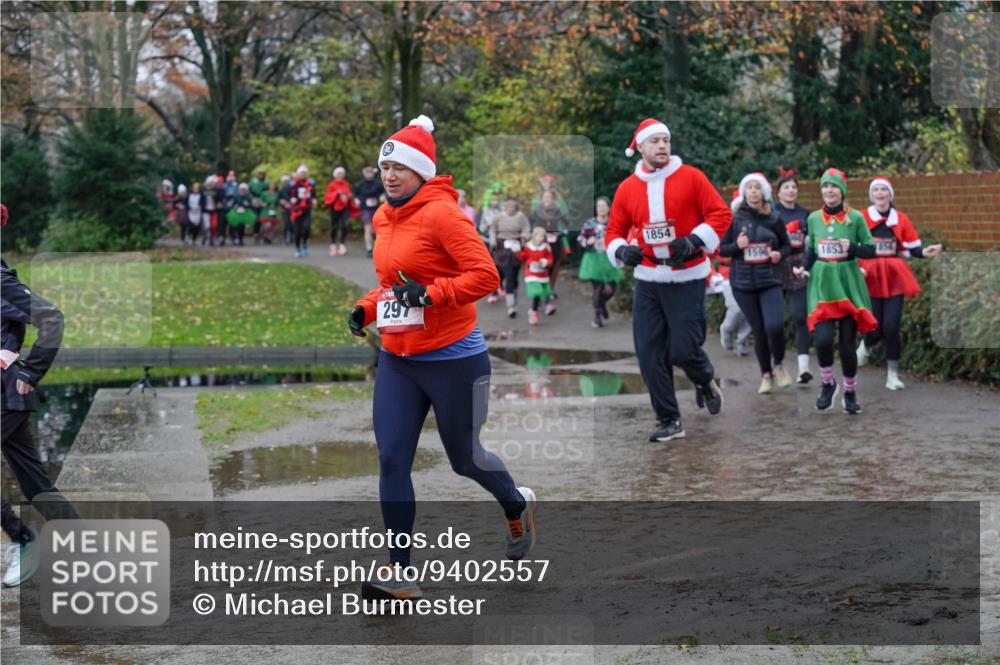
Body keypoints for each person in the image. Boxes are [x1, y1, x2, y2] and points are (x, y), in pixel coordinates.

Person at [347, 116, 535, 602]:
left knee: (465, 459)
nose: (389, 175)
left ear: (421, 172)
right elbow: (393, 284)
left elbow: (486, 276)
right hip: (398, 358)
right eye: (384, 166)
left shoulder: (444, 215)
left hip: (454, 358)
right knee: (391, 458)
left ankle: (516, 504)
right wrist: (368, 307)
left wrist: (430, 294)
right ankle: (401, 570)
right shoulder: (385, 218)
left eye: (399, 167)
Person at [605, 117, 730, 442]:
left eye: (666, 140)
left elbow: (720, 214)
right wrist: (621, 252)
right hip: (648, 278)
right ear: (641, 147)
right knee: (648, 354)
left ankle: (704, 378)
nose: (662, 145)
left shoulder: (691, 177)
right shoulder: (627, 188)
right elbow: (613, 232)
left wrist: (694, 241)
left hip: (688, 275)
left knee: (683, 351)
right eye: (655, 141)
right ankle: (669, 419)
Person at [1, 204, 79, 587]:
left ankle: (23, 538)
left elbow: (52, 317)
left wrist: (32, 370)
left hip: (7, 391)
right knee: (35, 482)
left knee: (35, 482)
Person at [793, 168, 877, 414]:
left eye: (834, 187)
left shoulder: (857, 218)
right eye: (825, 187)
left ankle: (850, 391)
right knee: (823, 340)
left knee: (848, 346)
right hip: (822, 284)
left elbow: (870, 250)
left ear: (842, 191)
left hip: (848, 283)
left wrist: (851, 247)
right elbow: (812, 251)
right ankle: (828, 384)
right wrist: (803, 267)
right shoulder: (813, 218)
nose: (829, 191)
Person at [856, 176, 943, 390]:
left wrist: (925, 252)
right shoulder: (862, 217)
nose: (879, 193)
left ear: (890, 195)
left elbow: (910, 248)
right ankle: (865, 345)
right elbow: (853, 246)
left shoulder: (900, 219)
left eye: (883, 190)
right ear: (871, 195)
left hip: (894, 275)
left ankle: (892, 375)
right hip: (870, 274)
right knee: (874, 326)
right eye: (875, 190)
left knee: (891, 326)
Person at [719, 173, 792, 394]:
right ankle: (766, 375)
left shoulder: (775, 218)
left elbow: (788, 246)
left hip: (770, 280)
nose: (753, 191)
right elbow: (722, 250)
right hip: (743, 283)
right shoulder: (734, 218)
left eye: (757, 187)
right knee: (759, 331)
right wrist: (737, 246)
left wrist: (780, 254)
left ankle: (778, 364)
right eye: (749, 187)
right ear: (744, 192)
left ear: (764, 193)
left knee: (775, 326)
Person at [773, 168, 813, 384]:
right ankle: (775, 365)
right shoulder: (772, 213)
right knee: (776, 321)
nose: (790, 190)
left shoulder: (805, 214)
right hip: (777, 266)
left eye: (794, 187)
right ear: (778, 192)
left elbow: (810, 241)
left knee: (801, 317)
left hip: (798, 265)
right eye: (786, 187)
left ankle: (803, 368)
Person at [577, 196, 623, 328]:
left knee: (610, 289)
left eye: (603, 206)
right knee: (598, 288)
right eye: (599, 206)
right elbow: (580, 238)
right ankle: (597, 317)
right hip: (593, 259)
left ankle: (602, 305)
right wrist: (587, 242)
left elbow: (621, 237)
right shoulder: (589, 223)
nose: (601, 208)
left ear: (609, 208)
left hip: (609, 259)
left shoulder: (614, 223)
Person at [489, 198, 531, 317]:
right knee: (504, 273)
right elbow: (492, 229)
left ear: (516, 207)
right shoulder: (499, 217)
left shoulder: (521, 216)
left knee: (514, 274)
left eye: (513, 207)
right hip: (502, 246)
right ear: (504, 207)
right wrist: (493, 241)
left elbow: (526, 229)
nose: (510, 209)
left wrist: (523, 238)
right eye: (508, 206)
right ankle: (510, 305)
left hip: (516, 246)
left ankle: (511, 294)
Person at [530, 189, 570, 307]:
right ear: (541, 199)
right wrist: (534, 235)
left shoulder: (557, 210)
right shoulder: (536, 211)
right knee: (542, 268)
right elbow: (529, 224)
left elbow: (568, 223)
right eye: (545, 197)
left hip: (554, 244)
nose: (547, 199)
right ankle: (543, 294)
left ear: (553, 199)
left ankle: (549, 290)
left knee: (553, 269)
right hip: (540, 243)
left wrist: (561, 233)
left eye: (550, 197)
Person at [516, 227, 555, 325]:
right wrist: (517, 252)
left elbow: (550, 259)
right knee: (537, 293)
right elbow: (523, 257)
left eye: (542, 237)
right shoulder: (528, 246)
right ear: (534, 236)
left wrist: (545, 262)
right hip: (531, 273)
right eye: (538, 236)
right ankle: (534, 313)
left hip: (542, 273)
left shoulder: (546, 247)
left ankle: (536, 309)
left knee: (543, 293)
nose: (540, 238)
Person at [714, 256, 752, 356]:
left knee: (751, 310)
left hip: (751, 273)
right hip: (727, 274)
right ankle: (727, 328)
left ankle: (741, 343)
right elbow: (707, 254)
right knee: (736, 307)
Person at [354, 166, 385, 258]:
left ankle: (378, 247)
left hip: (376, 209)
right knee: (367, 228)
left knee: (376, 229)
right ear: (364, 173)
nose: (369, 174)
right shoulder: (359, 185)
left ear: (373, 173)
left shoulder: (378, 184)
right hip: (365, 208)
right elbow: (355, 195)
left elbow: (384, 192)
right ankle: (369, 248)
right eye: (367, 172)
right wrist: (356, 200)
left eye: (371, 172)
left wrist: (383, 196)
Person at [325, 167, 352, 256]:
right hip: (334, 207)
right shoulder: (331, 185)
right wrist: (337, 194)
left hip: (345, 207)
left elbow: (348, 194)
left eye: (342, 174)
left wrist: (348, 196)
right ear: (335, 175)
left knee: (345, 225)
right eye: (338, 174)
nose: (340, 175)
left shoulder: (346, 184)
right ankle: (332, 244)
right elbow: (328, 197)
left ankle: (342, 244)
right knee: (334, 226)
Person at [291, 165, 316, 257]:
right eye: (301, 173)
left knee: (307, 228)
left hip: (307, 209)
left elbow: (313, 195)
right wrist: (292, 199)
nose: (303, 175)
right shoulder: (294, 184)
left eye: (305, 173)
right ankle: (297, 248)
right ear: (298, 174)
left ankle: (304, 243)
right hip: (297, 210)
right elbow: (290, 194)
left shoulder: (310, 184)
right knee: (297, 230)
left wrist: (313, 199)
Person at [277, 174, 294, 245]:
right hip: (284, 209)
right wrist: (281, 202)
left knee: (292, 223)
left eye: (286, 181)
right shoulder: (281, 190)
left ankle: (292, 237)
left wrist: (290, 201)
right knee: (286, 224)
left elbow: (294, 197)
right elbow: (277, 199)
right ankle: (285, 238)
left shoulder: (292, 189)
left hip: (292, 208)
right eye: (284, 181)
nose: (285, 183)